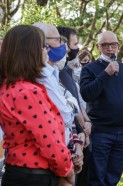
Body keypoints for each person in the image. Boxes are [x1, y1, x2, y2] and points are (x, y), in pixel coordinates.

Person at [0, 25, 74, 186]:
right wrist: (68, 171)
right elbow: (49, 141)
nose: (46, 52)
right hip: (35, 175)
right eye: (44, 47)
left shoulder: (10, 86)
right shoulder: (27, 92)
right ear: (30, 51)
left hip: (20, 172)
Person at [80, 30, 123, 186]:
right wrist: (105, 73)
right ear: (98, 47)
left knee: (114, 175)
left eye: (113, 45)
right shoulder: (89, 69)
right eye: (105, 45)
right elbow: (87, 94)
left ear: (118, 47)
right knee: (97, 175)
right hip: (101, 131)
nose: (110, 49)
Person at [33, 22, 84, 177]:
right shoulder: (40, 76)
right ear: (42, 43)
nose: (65, 47)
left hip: (62, 150)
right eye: (58, 40)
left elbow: (70, 104)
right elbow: (67, 114)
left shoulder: (53, 73)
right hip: (47, 160)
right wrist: (69, 103)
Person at [57, 26, 92, 186]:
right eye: (74, 44)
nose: (76, 48)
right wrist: (80, 129)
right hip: (67, 139)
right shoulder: (59, 72)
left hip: (77, 136)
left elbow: (76, 101)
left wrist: (86, 122)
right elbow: (68, 108)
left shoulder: (67, 71)